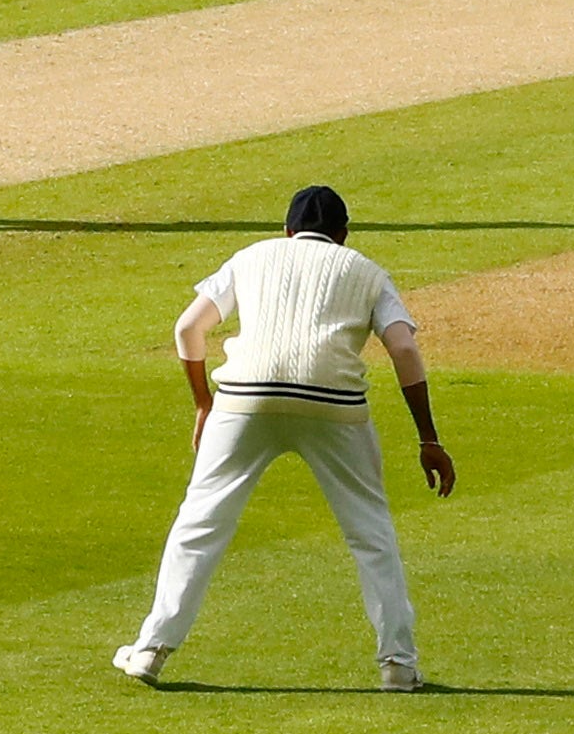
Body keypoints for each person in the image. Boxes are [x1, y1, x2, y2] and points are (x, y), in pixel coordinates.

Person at [115, 183, 451, 694]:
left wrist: (204, 403)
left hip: (244, 399)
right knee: (371, 533)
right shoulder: (365, 270)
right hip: (335, 406)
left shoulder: (251, 257)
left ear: (288, 230)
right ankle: (399, 666)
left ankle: (150, 651)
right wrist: (428, 438)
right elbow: (403, 349)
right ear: (342, 234)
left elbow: (188, 328)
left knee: (200, 522)